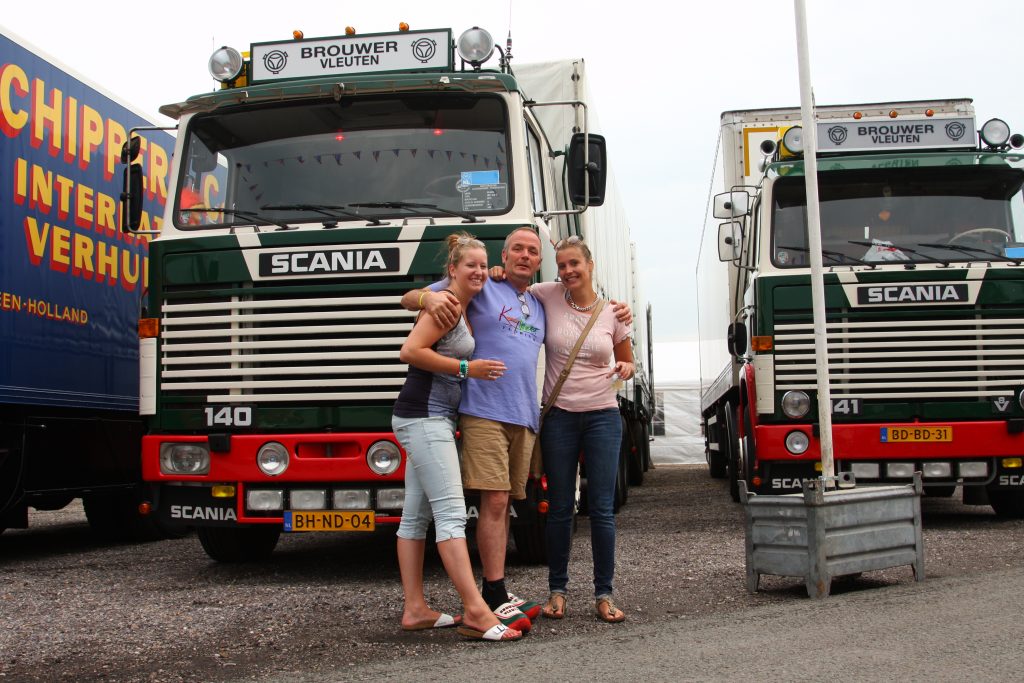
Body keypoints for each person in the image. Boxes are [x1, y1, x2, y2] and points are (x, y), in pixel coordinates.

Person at [402, 227, 633, 628]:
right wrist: (425, 296)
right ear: (504, 257)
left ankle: (507, 588)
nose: (525, 256)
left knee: (507, 503)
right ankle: (495, 592)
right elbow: (411, 299)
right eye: (516, 250)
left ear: (540, 261)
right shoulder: (482, 284)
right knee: (495, 502)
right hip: (487, 411)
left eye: (532, 251)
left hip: (527, 415)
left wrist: (622, 314)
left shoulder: (542, 298)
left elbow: (610, 335)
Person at [391, 232, 523, 642]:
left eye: (484, 266)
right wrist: (468, 370)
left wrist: (497, 272)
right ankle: (476, 610)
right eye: (471, 266)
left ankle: (415, 609)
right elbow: (410, 351)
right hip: (424, 417)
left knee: (415, 517)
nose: (479, 272)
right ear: (452, 270)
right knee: (450, 515)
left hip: (430, 417)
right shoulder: (446, 304)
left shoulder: (460, 303)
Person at [530, 235, 634, 623]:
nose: (568, 271)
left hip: (603, 416)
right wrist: (493, 270)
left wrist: (625, 369)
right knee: (559, 509)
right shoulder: (548, 294)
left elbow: (628, 362)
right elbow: (513, 284)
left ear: (590, 265)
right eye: (561, 265)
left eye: (574, 263)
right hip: (559, 416)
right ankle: (557, 591)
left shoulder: (613, 312)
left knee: (602, 510)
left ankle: (604, 594)